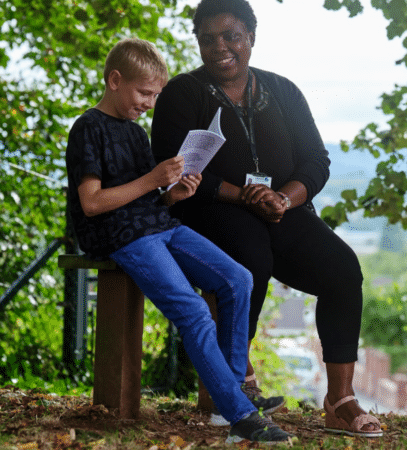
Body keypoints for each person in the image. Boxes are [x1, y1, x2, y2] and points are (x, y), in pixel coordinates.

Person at [150, 0, 383, 438]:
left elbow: (316, 160)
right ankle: (238, 380)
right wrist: (244, 196)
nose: (220, 47)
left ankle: (340, 400)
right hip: (207, 210)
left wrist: (282, 198)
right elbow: (171, 164)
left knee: (342, 269)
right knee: (250, 256)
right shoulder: (183, 92)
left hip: (279, 210)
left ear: (251, 38)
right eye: (208, 39)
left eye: (231, 36)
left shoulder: (283, 91)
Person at [65, 37, 293, 445]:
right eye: (144, 93)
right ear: (115, 80)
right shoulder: (88, 128)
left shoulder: (135, 133)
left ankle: (232, 398)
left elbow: (147, 195)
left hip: (156, 223)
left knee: (238, 279)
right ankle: (240, 415)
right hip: (118, 234)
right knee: (192, 310)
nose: (150, 103)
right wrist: (154, 179)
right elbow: (93, 203)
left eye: (155, 95)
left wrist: (172, 194)